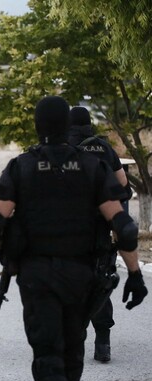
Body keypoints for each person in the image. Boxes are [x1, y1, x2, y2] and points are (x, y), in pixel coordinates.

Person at [0, 96, 147, 381]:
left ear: (36, 125)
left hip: (36, 276)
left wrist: (7, 253)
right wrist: (134, 274)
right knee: (72, 356)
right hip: (81, 274)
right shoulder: (92, 166)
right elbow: (123, 226)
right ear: (66, 125)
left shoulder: (22, 166)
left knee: (47, 359)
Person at [67, 106, 132, 363]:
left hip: (70, 229)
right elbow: (123, 185)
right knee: (100, 280)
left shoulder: (63, 146)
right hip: (100, 228)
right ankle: (102, 342)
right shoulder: (103, 147)